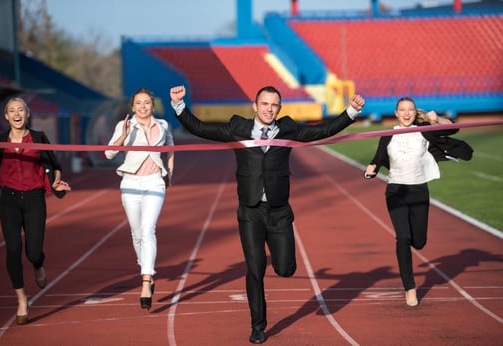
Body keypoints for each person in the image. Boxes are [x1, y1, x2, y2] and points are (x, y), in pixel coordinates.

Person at [170, 85, 365, 343]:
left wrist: (351, 111)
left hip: (279, 211)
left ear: (279, 108)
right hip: (250, 211)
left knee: (285, 269)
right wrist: (178, 105)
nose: (269, 109)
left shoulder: (289, 129)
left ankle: (282, 261)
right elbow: (201, 129)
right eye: (265, 104)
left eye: (274, 105)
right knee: (255, 270)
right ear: (255, 106)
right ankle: (257, 326)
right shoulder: (237, 128)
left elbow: (322, 131)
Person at [365, 97, 472, 307]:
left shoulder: (423, 129)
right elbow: (377, 158)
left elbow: (453, 129)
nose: (406, 113)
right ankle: (410, 288)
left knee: (419, 242)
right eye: (402, 110)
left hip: (419, 190)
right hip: (396, 191)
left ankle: (412, 251)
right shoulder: (388, 135)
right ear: (396, 113)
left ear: (415, 113)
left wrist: (437, 119)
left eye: (410, 110)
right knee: (402, 238)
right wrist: (371, 169)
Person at [0, 97, 71, 325]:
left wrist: (56, 183)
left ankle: (38, 263)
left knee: (32, 252)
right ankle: (22, 299)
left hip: (34, 199)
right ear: (6, 116)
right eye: (12, 110)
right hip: (9, 200)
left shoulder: (39, 138)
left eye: (20, 109)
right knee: (12, 250)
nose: (16, 113)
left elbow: (55, 166)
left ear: (27, 113)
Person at [105, 87, 174, 310]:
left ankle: (146, 280)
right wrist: (123, 136)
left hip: (154, 181)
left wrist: (169, 173)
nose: (143, 107)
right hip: (131, 183)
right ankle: (146, 268)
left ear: (152, 105)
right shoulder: (125, 125)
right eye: (138, 103)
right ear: (132, 107)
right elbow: (109, 153)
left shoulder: (163, 125)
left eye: (146, 103)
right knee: (136, 234)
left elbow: (171, 150)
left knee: (148, 230)